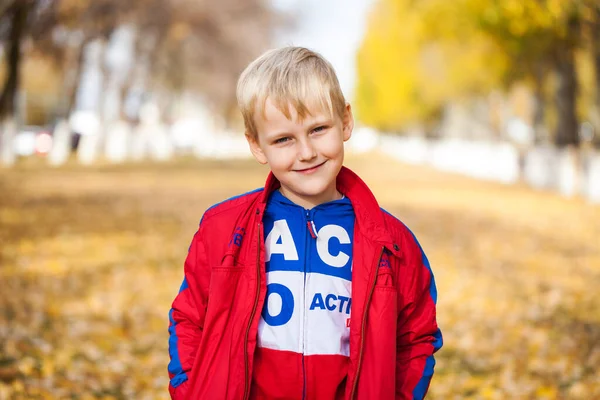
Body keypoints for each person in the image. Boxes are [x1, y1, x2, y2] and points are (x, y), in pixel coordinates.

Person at [167, 46, 443, 400]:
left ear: (345, 121)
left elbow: (416, 335)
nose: (307, 152)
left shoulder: (393, 243)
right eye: (284, 139)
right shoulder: (221, 229)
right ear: (257, 146)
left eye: (318, 129)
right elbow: (189, 319)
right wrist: (191, 391)